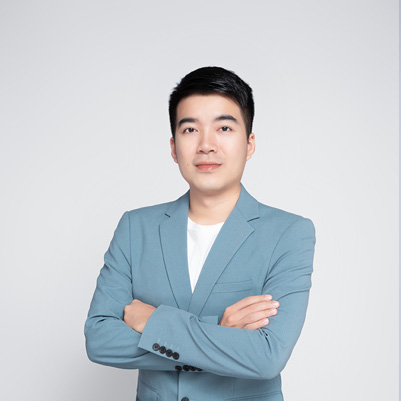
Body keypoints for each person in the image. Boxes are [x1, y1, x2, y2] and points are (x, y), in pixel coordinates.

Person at [84, 66, 316, 401]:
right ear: (174, 147)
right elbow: (99, 339)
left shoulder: (289, 233)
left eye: (224, 128)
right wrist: (218, 330)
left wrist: (156, 324)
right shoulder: (136, 228)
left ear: (249, 144)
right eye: (190, 129)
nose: (207, 145)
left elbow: (267, 356)